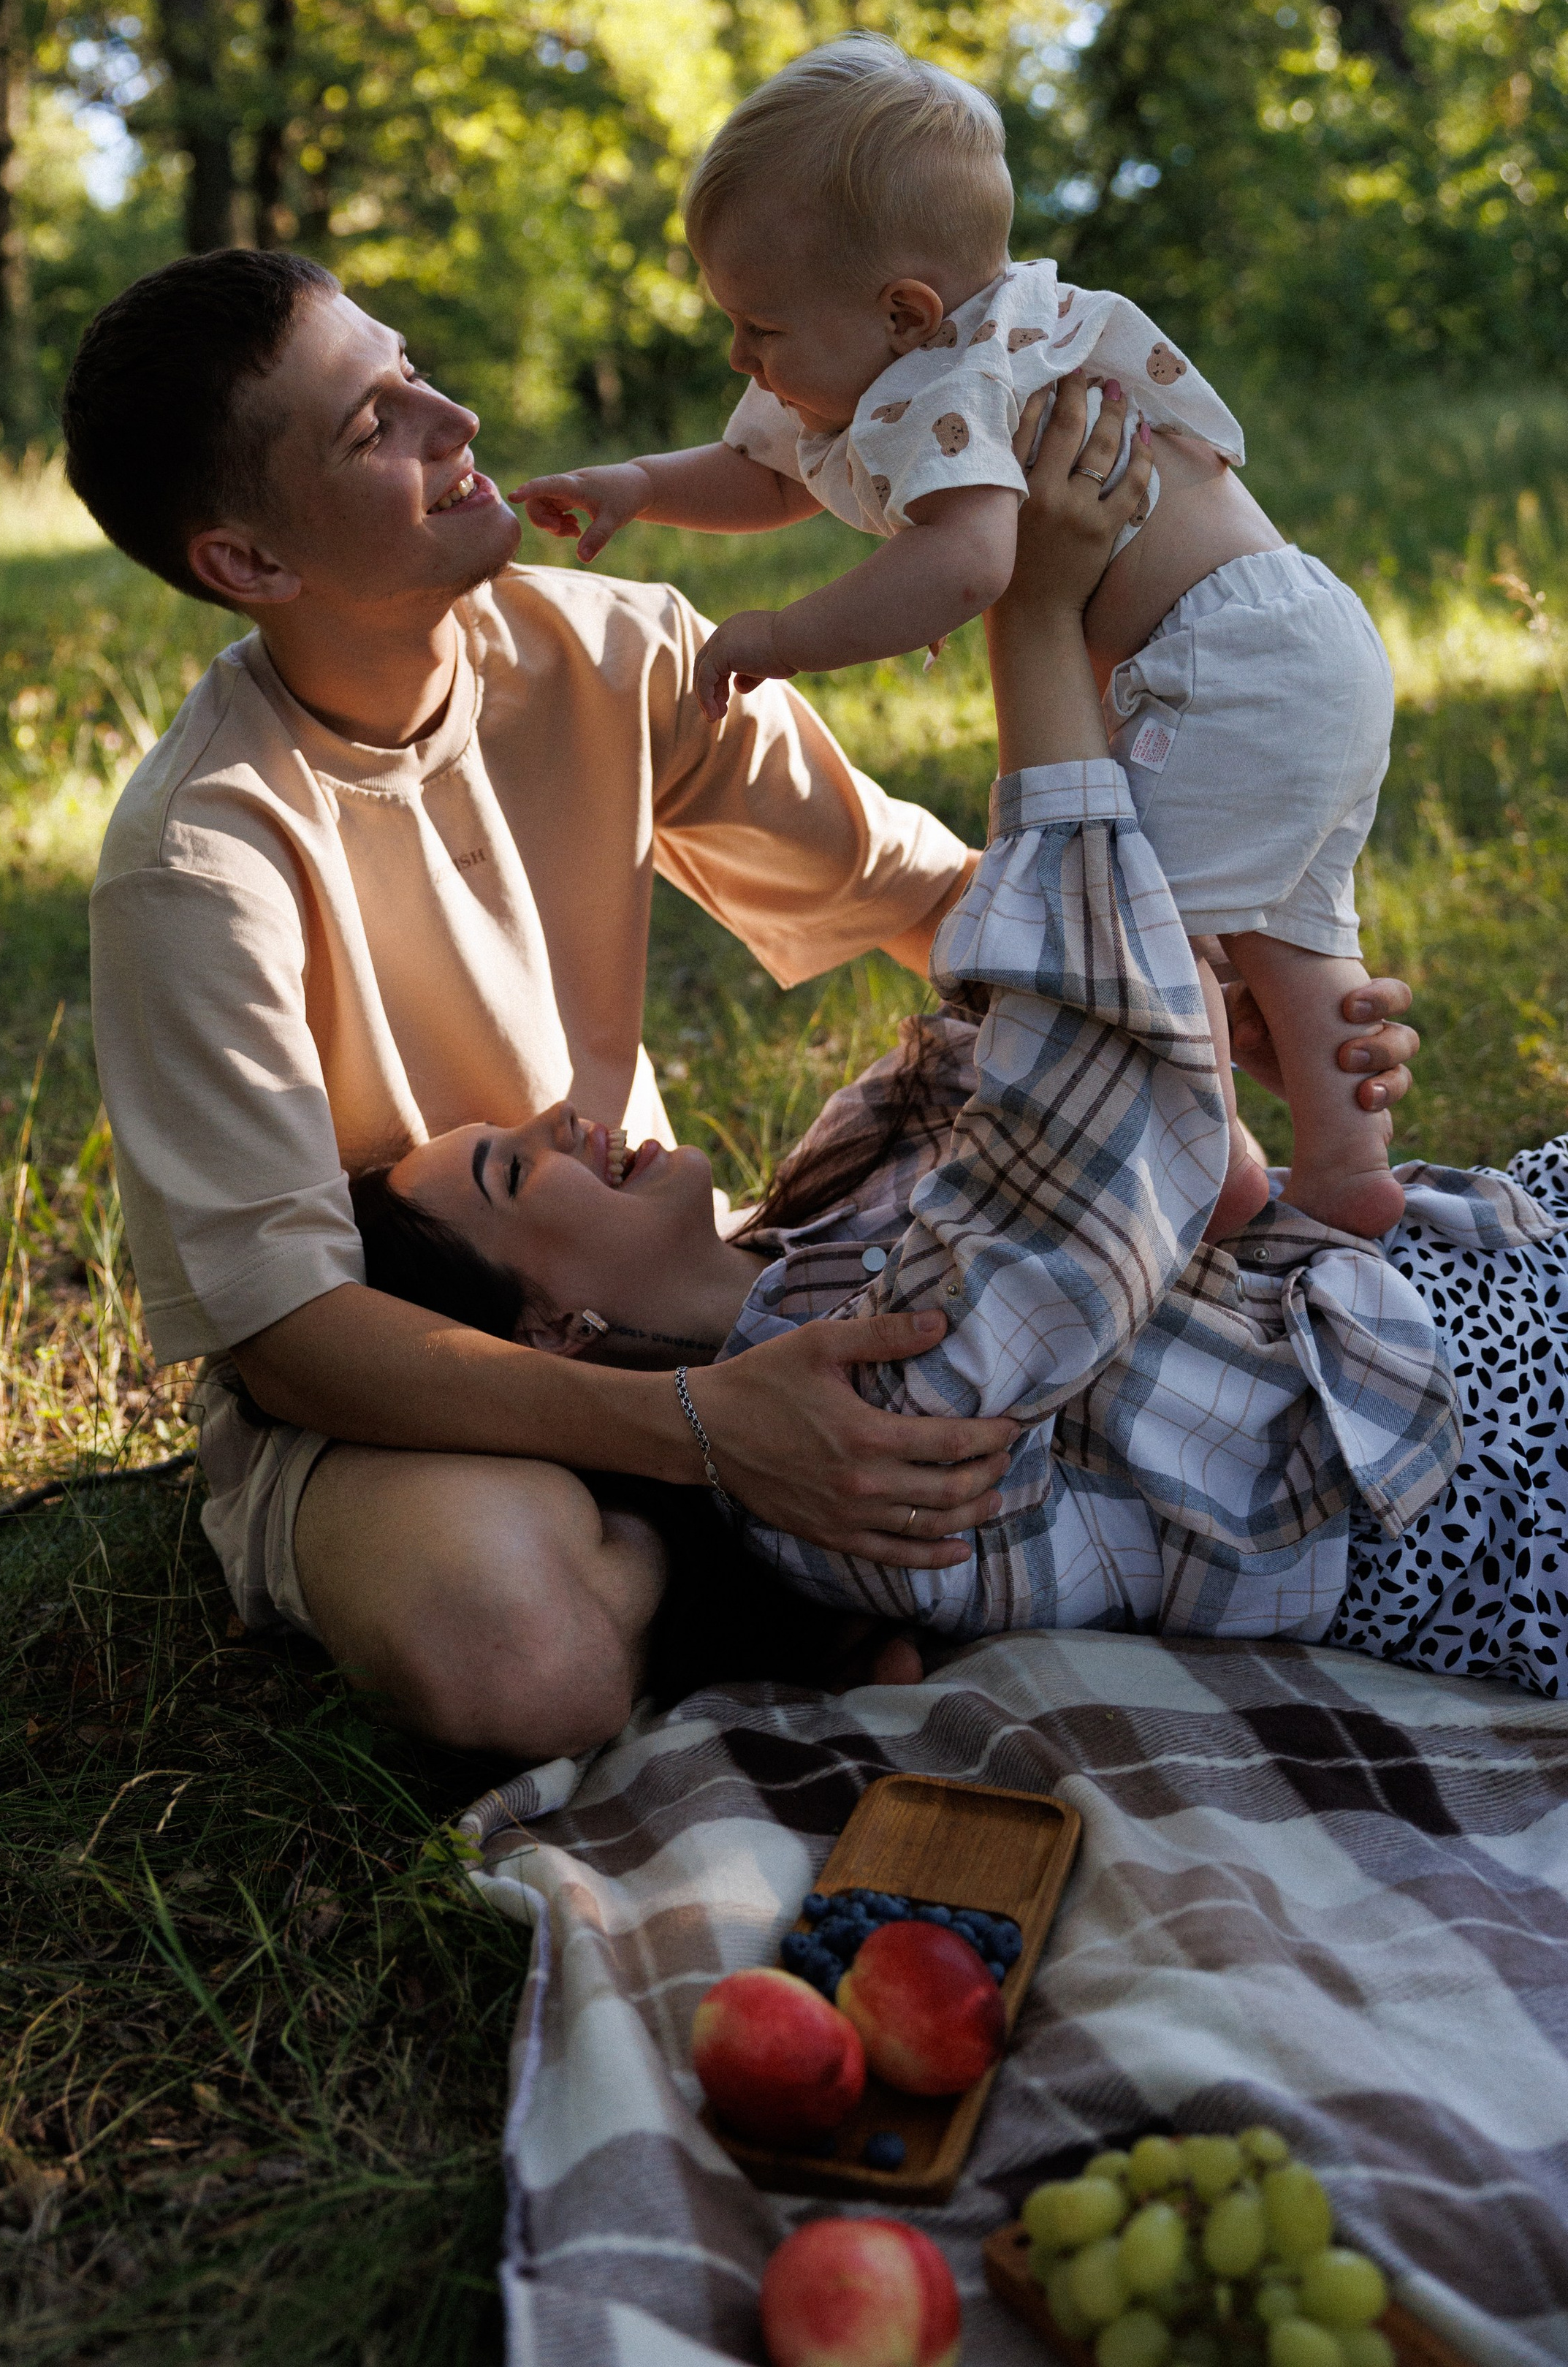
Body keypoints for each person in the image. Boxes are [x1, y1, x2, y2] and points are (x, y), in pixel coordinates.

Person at [369, 374, 1567, 1703]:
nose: (554, 1117)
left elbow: (1033, 1032)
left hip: (1476, 1267)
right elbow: (1078, 1111)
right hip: (1493, 1473)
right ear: (559, 1330)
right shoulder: (843, 1471)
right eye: (513, 1171)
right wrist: (1032, 619)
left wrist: (1238, 1016)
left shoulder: (818, 1200)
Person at [65, 245, 1010, 1763]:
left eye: (414, 368)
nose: (454, 418)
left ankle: (739, 1563)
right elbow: (294, 1337)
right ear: (247, 563)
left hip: (646, 1294)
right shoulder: (197, 859)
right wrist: (709, 1436)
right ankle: (750, 1567)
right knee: (517, 1651)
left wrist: (1237, 999)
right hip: (395, 1396)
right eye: (374, 426)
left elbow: (924, 898)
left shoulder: (615, 650)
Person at [514, 36, 1399, 1243]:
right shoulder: (911, 361)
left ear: (905, 313)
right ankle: (1350, 1173)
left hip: (1215, 665)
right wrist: (634, 483)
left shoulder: (957, 379)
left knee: (1134, 938)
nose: (740, 357)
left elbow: (970, 562)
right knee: (1294, 938)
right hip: (1308, 643)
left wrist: (778, 634)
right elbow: (761, 472)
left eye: (760, 326)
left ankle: (1221, 1181)